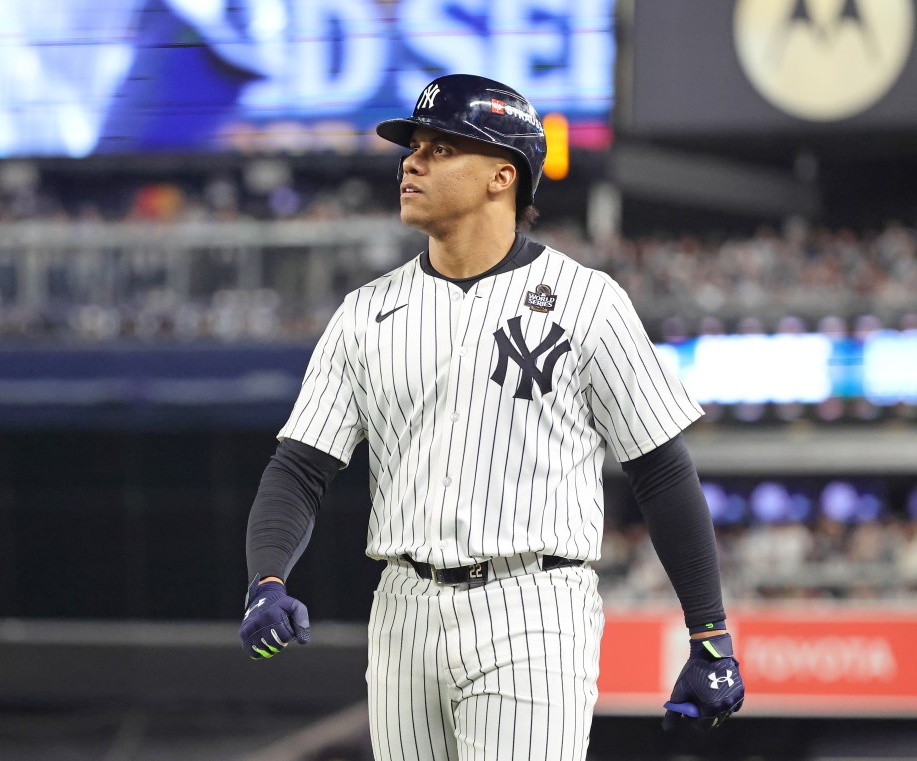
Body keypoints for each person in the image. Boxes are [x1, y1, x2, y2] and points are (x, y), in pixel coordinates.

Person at [240, 73, 744, 761]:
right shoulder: (364, 313)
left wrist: (709, 631)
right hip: (401, 609)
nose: (412, 161)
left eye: (441, 148)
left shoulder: (587, 300)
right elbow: (299, 468)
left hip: (532, 603)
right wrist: (266, 579)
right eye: (412, 146)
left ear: (502, 175)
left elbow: (660, 469)